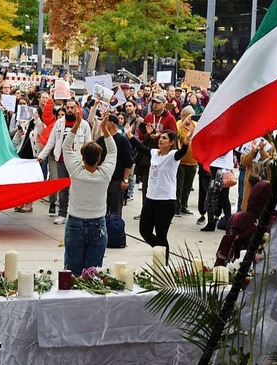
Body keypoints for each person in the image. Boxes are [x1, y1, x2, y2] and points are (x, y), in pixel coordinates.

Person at [126, 115, 194, 263]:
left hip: (166, 200)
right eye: (161, 137)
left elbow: (181, 153)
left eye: (164, 138)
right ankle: (160, 251)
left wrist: (186, 142)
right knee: (144, 231)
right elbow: (141, 147)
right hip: (151, 198)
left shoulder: (172, 156)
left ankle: (163, 262)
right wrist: (129, 134)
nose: (161, 140)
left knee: (161, 234)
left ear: (170, 143)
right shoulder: (154, 153)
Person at [63, 113, 116, 276]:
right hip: (97, 224)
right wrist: (104, 130)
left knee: (72, 271)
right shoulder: (105, 174)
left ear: (82, 156)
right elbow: (113, 151)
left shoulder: (76, 171)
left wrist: (77, 124)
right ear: (100, 158)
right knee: (92, 273)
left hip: (75, 222)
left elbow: (66, 147)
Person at [37, 99, 92, 225]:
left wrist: (87, 161)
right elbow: (51, 142)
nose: (70, 110)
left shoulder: (83, 125)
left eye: (72, 107)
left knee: (77, 188)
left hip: (77, 161)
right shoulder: (59, 123)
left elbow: (88, 143)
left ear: (78, 109)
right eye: (68, 107)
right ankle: (62, 213)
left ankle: (75, 213)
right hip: (61, 160)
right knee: (63, 188)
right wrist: (42, 156)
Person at [96, 114, 132, 216]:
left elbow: (128, 162)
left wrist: (125, 180)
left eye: (104, 121)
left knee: (115, 212)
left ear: (110, 123)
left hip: (116, 181)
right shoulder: (101, 140)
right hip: (102, 180)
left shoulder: (122, 140)